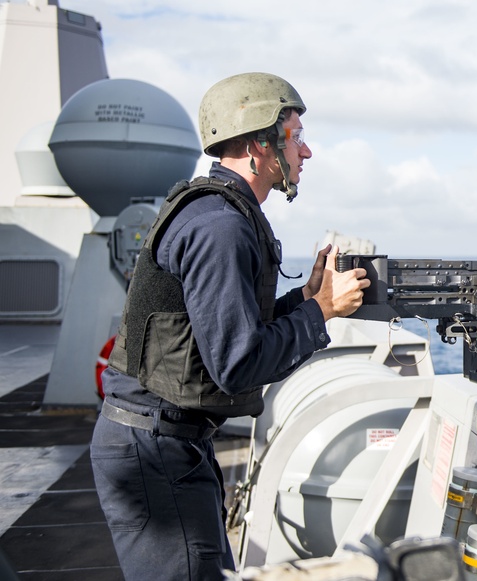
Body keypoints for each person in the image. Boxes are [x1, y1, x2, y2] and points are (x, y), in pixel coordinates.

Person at [90, 72, 370, 580]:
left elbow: (225, 330)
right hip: (155, 452)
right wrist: (322, 311)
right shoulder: (221, 227)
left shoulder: (219, 212)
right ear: (260, 144)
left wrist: (305, 300)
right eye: (296, 137)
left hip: (167, 443)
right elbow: (238, 365)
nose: (306, 153)